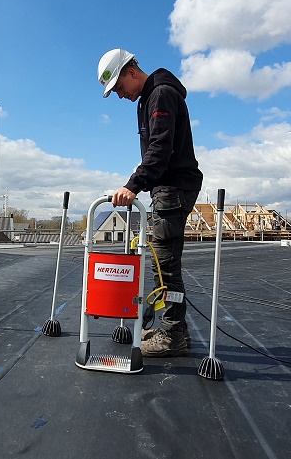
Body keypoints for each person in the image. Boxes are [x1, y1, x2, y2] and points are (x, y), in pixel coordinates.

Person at [96, 48, 203, 357]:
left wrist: (134, 185)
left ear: (131, 72)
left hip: (173, 188)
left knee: (166, 267)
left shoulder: (161, 95)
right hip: (166, 187)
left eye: (117, 87)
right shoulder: (150, 98)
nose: (118, 95)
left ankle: (172, 336)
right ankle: (175, 329)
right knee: (162, 264)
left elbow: (160, 148)